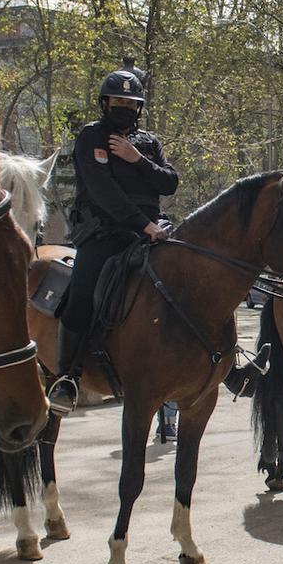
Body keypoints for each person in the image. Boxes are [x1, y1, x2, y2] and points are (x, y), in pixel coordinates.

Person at [46, 69, 179, 413]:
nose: (123, 106)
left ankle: (223, 363)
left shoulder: (147, 142)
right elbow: (105, 192)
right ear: (105, 103)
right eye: (117, 101)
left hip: (152, 229)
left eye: (130, 103)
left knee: (192, 274)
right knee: (81, 294)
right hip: (105, 232)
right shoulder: (92, 136)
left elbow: (169, 182)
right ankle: (67, 377)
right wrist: (144, 224)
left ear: (138, 108)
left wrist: (137, 159)